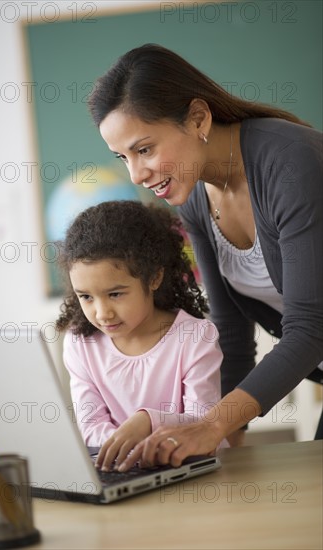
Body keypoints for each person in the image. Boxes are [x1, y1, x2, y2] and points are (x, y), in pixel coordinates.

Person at [87, 43, 323, 471]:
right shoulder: (195, 197)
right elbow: (232, 339)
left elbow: (310, 327)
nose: (136, 175)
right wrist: (212, 456)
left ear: (198, 118)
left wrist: (210, 427)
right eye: (122, 157)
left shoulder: (293, 163)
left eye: (144, 150)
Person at [56, 200, 227, 470]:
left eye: (115, 294)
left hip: (195, 471)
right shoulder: (80, 344)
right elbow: (91, 429)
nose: (102, 313)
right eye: (86, 297)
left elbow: (203, 423)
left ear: (154, 278)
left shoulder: (195, 337)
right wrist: (137, 452)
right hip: (126, 471)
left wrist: (148, 420)